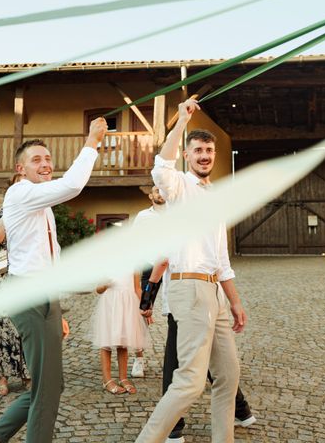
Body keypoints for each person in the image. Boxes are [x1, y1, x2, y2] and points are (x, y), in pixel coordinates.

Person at [0, 117, 107, 443]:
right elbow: (73, 185)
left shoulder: (41, 204)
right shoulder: (20, 192)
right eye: (37, 159)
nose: (46, 163)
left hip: (45, 300)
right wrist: (92, 140)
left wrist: (65, 303)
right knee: (47, 389)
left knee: (51, 384)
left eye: (49, 159)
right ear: (20, 169)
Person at [136, 99, 247, 443]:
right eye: (198, 150)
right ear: (188, 155)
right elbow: (160, 167)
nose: (204, 156)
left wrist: (236, 302)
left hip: (215, 292)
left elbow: (222, 259)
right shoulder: (179, 187)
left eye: (209, 151)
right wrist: (182, 121)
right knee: (190, 382)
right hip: (189, 290)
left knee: (228, 376)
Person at [0, 174, 30, 397]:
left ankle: (26, 374)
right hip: (6, 277)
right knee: (4, 327)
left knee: (26, 326)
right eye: (18, 182)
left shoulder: (35, 211)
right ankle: (2, 376)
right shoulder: (3, 213)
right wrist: (10, 210)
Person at [89, 272, 150, 395]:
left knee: (123, 341)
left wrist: (145, 305)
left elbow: (137, 288)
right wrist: (105, 284)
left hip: (127, 305)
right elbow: (98, 289)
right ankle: (107, 380)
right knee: (106, 341)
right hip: (110, 305)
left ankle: (123, 378)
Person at [131, 185, 167, 378]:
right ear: (150, 196)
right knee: (142, 312)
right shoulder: (143, 217)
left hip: (171, 268)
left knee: (177, 312)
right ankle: (139, 359)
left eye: (163, 190)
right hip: (147, 267)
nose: (160, 193)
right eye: (156, 190)